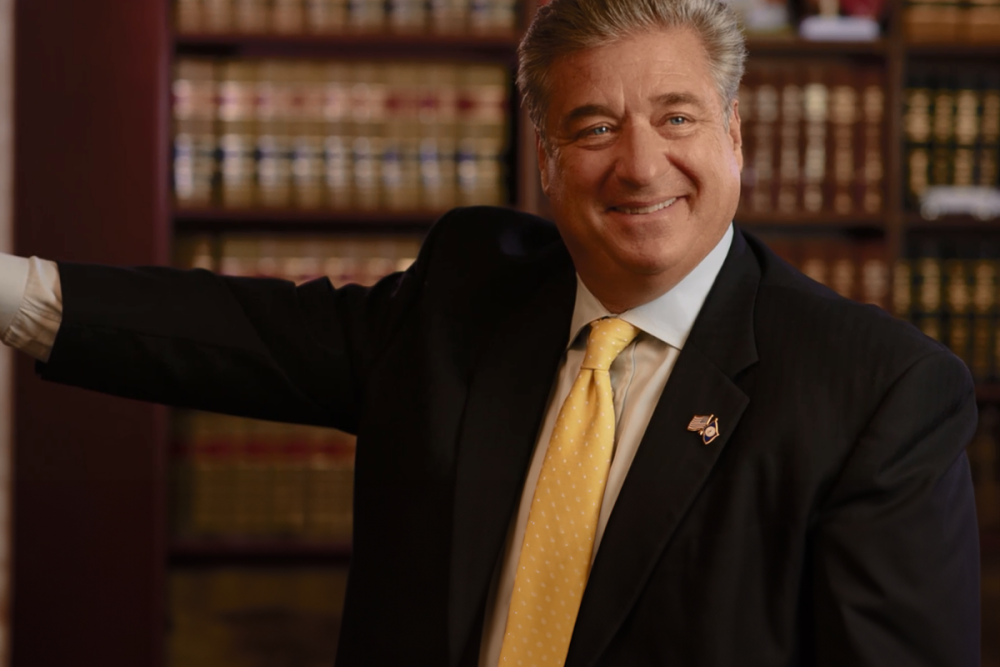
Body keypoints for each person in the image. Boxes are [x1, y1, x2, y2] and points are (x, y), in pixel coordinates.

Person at [0, 0, 981, 664]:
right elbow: (242, 333)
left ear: (732, 137)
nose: (640, 166)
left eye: (675, 118)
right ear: (546, 161)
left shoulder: (874, 391)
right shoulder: (468, 293)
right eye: (594, 127)